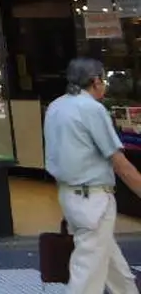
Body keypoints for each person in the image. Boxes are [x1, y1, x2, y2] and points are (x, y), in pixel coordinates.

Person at [43, 57, 141, 294]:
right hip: (93, 198)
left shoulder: (56, 106)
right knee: (87, 273)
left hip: (69, 195)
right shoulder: (92, 109)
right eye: (104, 80)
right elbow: (119, 163)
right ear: (95, 81)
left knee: (111, 262)